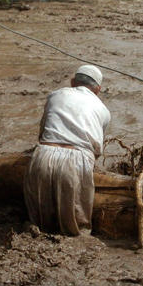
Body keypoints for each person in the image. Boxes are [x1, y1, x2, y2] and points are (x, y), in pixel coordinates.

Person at [23, 65, 111, 236]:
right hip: (77, 161)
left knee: (38, 223)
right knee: (77, 230)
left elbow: (41, 135)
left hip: (43, 156)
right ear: (98, 90)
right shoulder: (104, 111)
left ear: (72, 82)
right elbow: (96, 150)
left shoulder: (55, 95)